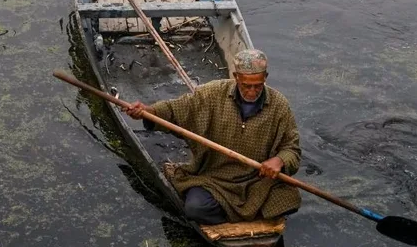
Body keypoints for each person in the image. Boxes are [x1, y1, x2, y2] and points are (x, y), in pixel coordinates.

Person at [124, 49, 301, 225]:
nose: (253, 91)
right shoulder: (212, 94)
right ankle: (240, 215)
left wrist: (280, 160)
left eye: (258, 85)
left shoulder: (279, 105)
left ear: (265, 77)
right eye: (247, 86)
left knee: (289, 201)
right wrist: (149, 112)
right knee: (195, 209)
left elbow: (291, 148)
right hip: (214, 180)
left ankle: (231, 213)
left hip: (257, 182)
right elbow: (174, 110)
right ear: (236, 77)